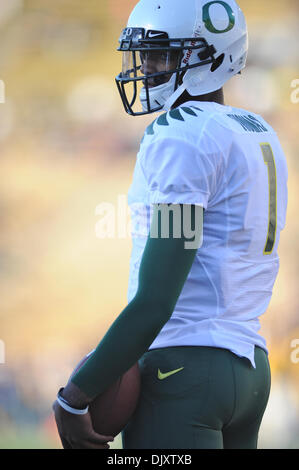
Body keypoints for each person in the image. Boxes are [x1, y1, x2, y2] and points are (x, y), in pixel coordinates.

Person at [53, 0, 288, 449]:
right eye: (145, 56)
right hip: (251, 369)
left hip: (183, 371)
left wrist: (75, 396)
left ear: (209, 55)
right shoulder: (259, 130)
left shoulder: (181, 131)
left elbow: (157, 300)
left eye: (162, 55)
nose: (147, 68)